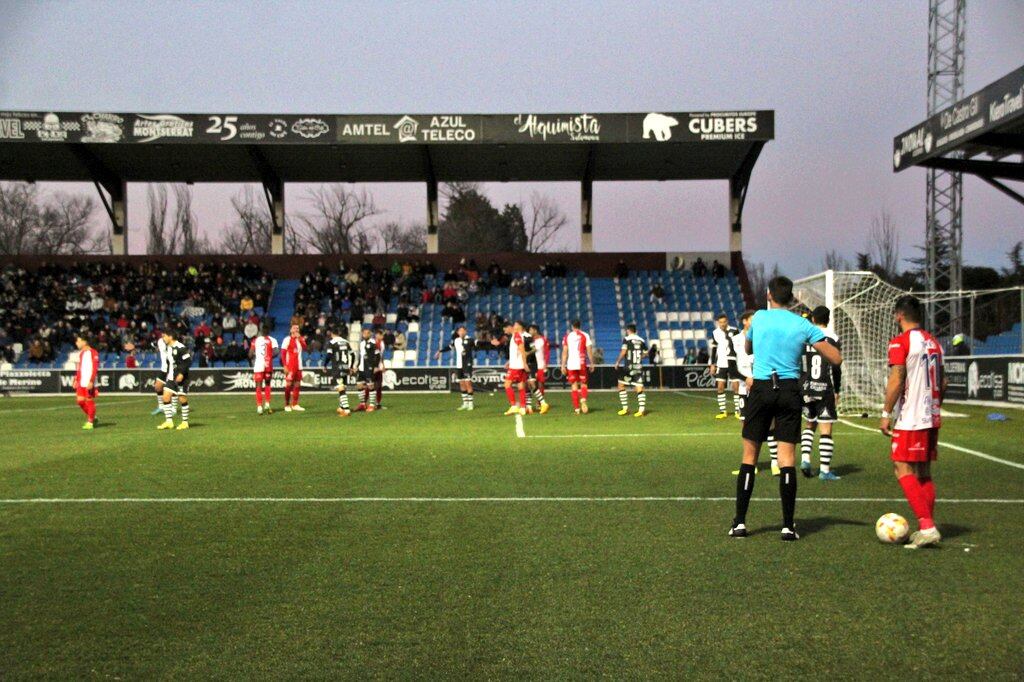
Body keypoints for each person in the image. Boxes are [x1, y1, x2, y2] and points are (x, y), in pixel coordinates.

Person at [730, 276, 842, 541]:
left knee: (749, 456)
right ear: (792, 298)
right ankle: (788, 526)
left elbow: (748, 349)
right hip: (790, 390)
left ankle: (740, 524)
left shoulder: (759, 318)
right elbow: (836, 358)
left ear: (769, 294)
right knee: (787, 458)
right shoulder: (802, 323)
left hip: (761, 388)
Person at [880, 295, 946, 550]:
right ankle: (925, 527)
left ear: (898, 315)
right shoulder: (935, 343)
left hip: (912, 417)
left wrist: (886, 413)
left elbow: (897, 377)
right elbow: (944, 381)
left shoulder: (901, 342)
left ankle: (927, 526)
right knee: (923, 472)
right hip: (931, 414)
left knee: (901, 468)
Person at [799, 306, 843, 480]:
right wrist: (837, 389)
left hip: (806, 386)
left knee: (810, 424)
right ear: (828, 319)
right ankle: (824, 471)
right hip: (824, 387)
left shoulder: (805, 337)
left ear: (813, 319)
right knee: (826, 428)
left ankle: (805, 460)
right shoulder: (832, 338)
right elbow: (836, 365)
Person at [157, 328, 192, 431]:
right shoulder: (169, 347)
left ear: (170, 337)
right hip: (172, 377)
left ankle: (185, 422)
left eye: (165, 336)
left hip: (182, 377)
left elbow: (188, 361)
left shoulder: (181, 347)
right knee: (166, 396)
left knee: (182, 398)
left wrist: (181, 373)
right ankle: (169, 422)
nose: (163, 338)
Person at [436, 325, 476, 411]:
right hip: (459, 365)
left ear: (465, 331)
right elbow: (449, 348)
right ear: (458, 333)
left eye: (463, 330)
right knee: (462, 383)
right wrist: (440, 351)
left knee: (468, 383)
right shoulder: (456, 340)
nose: (461, 332)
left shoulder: (470, 340)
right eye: (459, 331)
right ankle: (465, 403)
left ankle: (470, 404)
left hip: (467, 364)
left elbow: (478, 346)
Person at [709, 313, 741, 419]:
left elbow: (739, 347)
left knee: (736, 386)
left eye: (724, 322)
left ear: (727, 321)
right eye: (720, 322)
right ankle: (723, 411)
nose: (722, 324)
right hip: (721, 363)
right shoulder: (715, 333)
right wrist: (713, 364)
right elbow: (714, 349)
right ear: (718, 323)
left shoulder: (734, 330)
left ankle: (738, 410)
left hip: (732, 362)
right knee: (720, 387)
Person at [561, 319, 594, 414]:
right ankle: (583, 399)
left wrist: (563, 365)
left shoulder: (567, 336)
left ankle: (577, 409)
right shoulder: (585, 335)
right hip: (581, 363)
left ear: (572, 326)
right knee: (583, 384)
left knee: (574, 386)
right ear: (580, 326)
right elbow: (589, 350)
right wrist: (592, 363)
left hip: (571, 364)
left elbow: (564, 352)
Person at [614, 324, 648, 417]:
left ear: (628, 330)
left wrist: (617, 361)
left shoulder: (627, 339)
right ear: (635, 331)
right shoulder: (642, 340)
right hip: (638, 366)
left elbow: (624, 351)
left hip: (628, 367)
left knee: (621, 385)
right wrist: (639, 357)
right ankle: (641, 410)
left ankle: (625, 408)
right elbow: (646, 353)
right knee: (639, 388)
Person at [326, 327, 355, 417]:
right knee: (343, 388)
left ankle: (346, 410)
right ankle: (341, 407)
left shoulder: (332, 343)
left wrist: (325, 365)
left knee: (340, 388)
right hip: (345, 367)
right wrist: (350, 367)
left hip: (337, 368)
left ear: (332, 334)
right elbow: (353, 355)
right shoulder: (346, 342)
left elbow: (329, 355)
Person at [503, 321, 529, 416]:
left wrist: (525, 363)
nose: (513, 326)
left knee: (507, 384)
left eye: (515, 325)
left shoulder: (517, 335)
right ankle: (523, 408)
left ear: (519, 327)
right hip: (518, 364)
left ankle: (513, 406)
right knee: (521, 386)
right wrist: (510, 361)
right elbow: (517, 351)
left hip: (516, 366)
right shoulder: (517, 335)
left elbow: (522, 349)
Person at [251, 325, 279, 415]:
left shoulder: (256, 340)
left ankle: (259, 407)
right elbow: (276, 352)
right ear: (269, 332)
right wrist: (269, 357)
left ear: (261, 332)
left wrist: (255, 355)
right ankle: (267, 404)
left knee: (258, 386)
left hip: (258, 365)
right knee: (267, 384)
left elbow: (250, 354)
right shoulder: (273, 340)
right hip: (268, 365)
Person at [73, 333, 98, 430]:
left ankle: (90, 422)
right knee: (80, 401)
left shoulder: (93, 352)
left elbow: (95, 368)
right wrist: (76, 379)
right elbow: (80, 369)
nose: (76, 343)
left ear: (84, 341)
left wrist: (91, 381)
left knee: (89, 401)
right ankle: (93, 417)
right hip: (81, 382)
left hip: (89, 382)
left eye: (78, 341)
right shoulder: (82, 353)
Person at [280, 324, 307, 412]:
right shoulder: (287, 340)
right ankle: (287, 404)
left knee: (297, 384)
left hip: (299, 366)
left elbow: (305, 348)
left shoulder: (300, 339)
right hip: (290, 366)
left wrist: (301, 339)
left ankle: (295, 404)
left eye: (298, 328)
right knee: (288, 385)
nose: (296, 329)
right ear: (291, 330)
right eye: (294, 328)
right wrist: (284, 365)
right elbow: (283, 353)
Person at [151, 334, 178, 418]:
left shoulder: (174, 343)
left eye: (165, 335)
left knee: (172, 388)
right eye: (163, 335)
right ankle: (161, 406)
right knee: (157, 387)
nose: (164, 337)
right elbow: (156, 347)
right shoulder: (160, 341)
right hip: (164, 368)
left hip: (172, 368)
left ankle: (174, 409)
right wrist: (154, 347)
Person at [356, 327, 381, 412]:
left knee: (370, 385)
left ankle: (372, 405)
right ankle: (362, 404)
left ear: (370, 334)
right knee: (359, 385)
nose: (365, 334)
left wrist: (376, 366)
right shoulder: (361, 343)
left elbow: (377, 355)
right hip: (361, 367)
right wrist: (357, 365)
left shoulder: (374, 343)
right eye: (364, 333)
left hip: (369, 367)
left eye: (367, 333)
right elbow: (361, 356)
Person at [527, 324, 550, 414]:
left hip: (541, 365)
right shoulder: (530, 340)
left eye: (531, 330)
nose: (529, 332)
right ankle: (530, 404)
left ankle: (539, 403)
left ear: (535, 330)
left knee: (540, 385)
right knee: (531, 384)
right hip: (532, 365)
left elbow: (547, 353)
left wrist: (546, 364)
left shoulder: (543, 340)